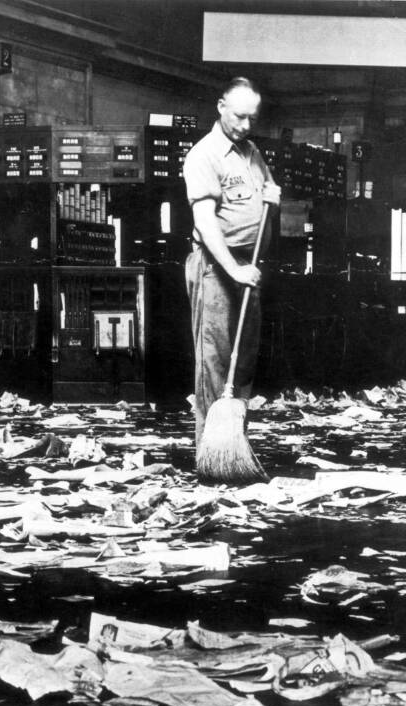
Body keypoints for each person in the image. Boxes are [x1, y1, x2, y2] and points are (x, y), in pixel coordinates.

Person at [183, 76, 281, 454]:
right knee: (215, 364)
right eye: (239, 116)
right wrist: (233, 269)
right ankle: (210, 455)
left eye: (252, 118)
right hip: (216, 267)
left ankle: (233, 449)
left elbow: (265, 203)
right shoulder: (203, 155)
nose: (245, 125)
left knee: (243, 364)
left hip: (247, 266)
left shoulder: (252, 152)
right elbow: (206, 222)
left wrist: (275, 199)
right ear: (221, 106)